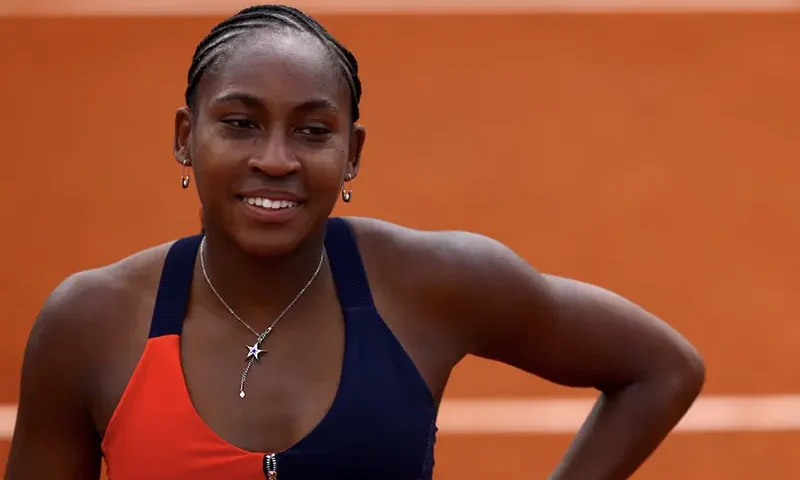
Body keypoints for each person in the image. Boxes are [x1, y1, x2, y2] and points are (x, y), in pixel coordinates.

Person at [4, 4, 705, 480]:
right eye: (241, 123)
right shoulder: (89, 325)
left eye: (313, 131)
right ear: (186, 138)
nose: (276, 158)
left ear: (353, 152)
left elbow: (660, 368)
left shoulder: (433, 284)